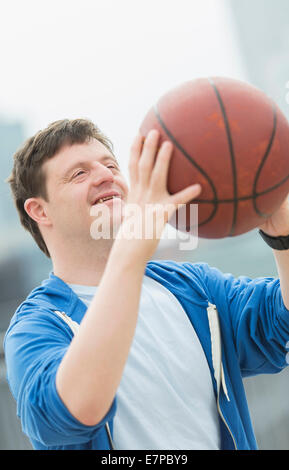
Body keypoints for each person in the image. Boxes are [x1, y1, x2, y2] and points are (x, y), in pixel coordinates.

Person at [4, 118, 289, 451]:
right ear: (40, 210)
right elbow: (74, 410)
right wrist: (135, 244)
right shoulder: (34, 328)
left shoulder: (192, 287)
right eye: (79, 173)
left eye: (110, 165)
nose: (106, 175)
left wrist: (282, 237)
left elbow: (280, 325)